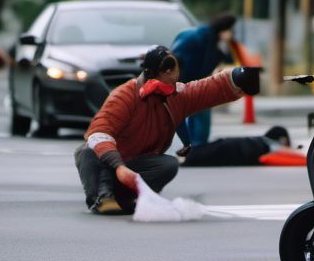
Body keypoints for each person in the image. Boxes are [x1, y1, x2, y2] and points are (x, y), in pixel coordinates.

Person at [74, 45, 260, 215]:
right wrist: (119, 166)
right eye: (172, 75)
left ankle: (129, 197)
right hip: (108, 164)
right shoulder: (124, 95)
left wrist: (238, 77)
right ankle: (102, 198)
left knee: (168, 165)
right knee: (90, 150)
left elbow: (206, 89)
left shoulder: (175, 95)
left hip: (135, 164)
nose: (176, 80)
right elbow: (99, 132)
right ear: (165, 71)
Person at [171, 13, 237, 146]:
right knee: (200, 113)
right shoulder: (206, 39)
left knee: (190, 114)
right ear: (224, 29)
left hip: (181, 79)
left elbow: (228, 59)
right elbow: (206, 64)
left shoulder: (205, 35)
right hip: (187, 79)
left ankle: (193, 146)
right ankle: (198, 146)